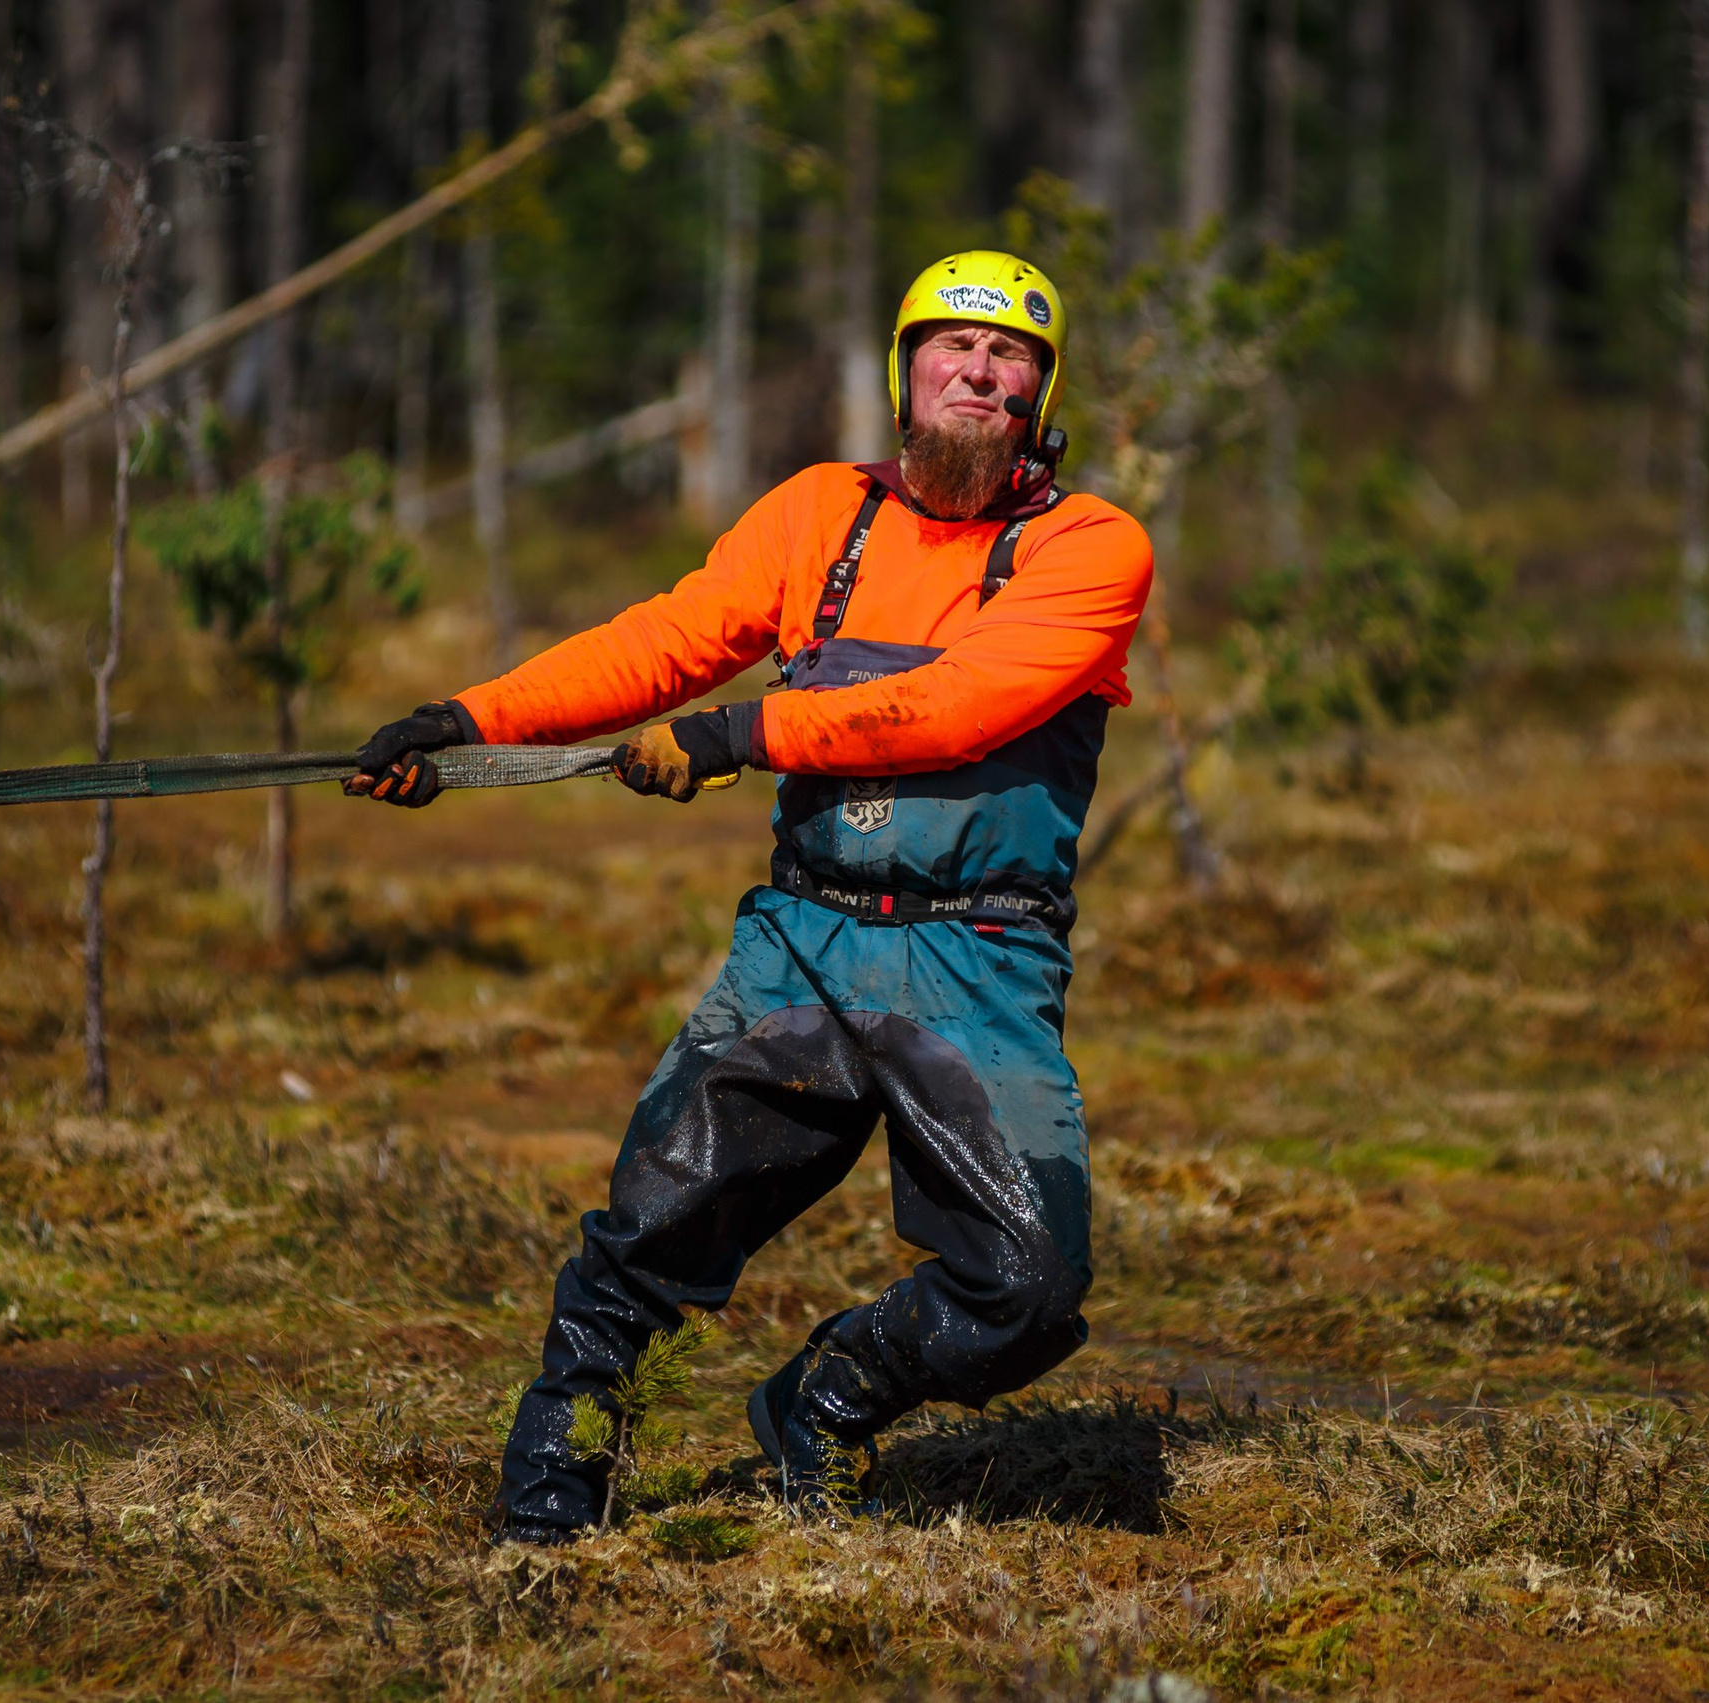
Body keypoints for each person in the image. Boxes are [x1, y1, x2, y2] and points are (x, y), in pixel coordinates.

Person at [349, 251, 1153, 1543]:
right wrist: (465, 723)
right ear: (905, 374)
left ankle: (825, 1403)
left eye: (1012, 357)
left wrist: (736, 740)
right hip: (808, 942)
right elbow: (662, 641)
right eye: (952, 345)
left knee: (1033, 1287)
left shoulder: (1091, 547)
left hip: (983, 962)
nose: (979, 372)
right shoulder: (817, 516)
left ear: (1041, 395)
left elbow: (957, 708)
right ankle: (551, 1500)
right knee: (651, 1225)